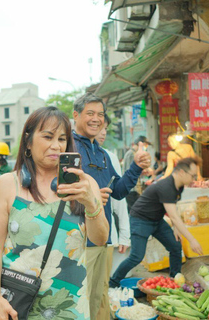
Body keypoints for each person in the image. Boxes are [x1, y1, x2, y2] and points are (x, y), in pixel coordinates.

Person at [0, 106, 108, 319]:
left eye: (62, 139)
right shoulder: (7, 184)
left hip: (71, 306)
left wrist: (90, 203)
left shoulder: (85, 185)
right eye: (48, 137)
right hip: (15, 306)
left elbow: (99, 239)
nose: (56, 146)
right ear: (28, 142)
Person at [72, 93, 151, 320]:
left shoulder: (102, 153)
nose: (96, 119)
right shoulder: (69, 147)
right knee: (82, 299)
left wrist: (135, 167)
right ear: (76, 115)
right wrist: (91, 196)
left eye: (100, 115)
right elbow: (59, 189)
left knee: (99, 297)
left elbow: (117, 191)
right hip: (79, 237)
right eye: (90, 113)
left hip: (103, 236)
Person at [110, 158, 204, 287]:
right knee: (136, 256)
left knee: (176, 247)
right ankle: (113, 283)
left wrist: (177, 229)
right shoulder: (166, 186)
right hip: (140, 220)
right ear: (182, 172)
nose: (194, 179)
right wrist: (192, 240)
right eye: (193, 176)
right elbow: (174, 216)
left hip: (157, 220)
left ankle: (174, 280)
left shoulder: (179, 187)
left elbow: (173, 209)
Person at [94, 114, 131, 275]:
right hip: (77, 237)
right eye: (99, 128)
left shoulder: (109, 157)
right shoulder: (73, 155)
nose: (103, 133)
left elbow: (119, 201)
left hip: (105, 233)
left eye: (106, 129)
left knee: (103, 286)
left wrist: (124, 235)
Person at [122, 136, 153, 211]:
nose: (146, 147)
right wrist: (144, 171)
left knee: (134, 211)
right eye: (145, 145)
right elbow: (130, 172)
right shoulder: (131, 154)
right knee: (136, 211)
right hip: (132, 189)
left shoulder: (133, 153)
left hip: (133, 188)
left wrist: (143, 172)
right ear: (140, 144)